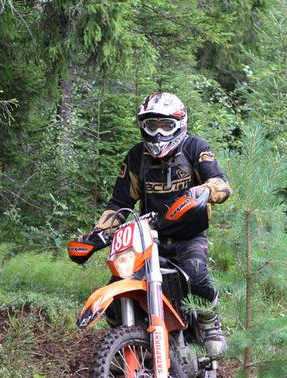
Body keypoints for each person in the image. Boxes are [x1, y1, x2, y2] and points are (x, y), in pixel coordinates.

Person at [93, 91, 231, 356]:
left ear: (179, 124)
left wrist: (206, 190)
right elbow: (119, 203)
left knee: (196, 273)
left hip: (189, 235)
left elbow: (221, 183)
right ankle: (125, 342)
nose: (158, 133)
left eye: (166, 125)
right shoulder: (136, 157)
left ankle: (208, 320)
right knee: (117, 284)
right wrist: (99, 232)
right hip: (148, 237)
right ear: (143, 126)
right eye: (151, 125)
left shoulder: (195, 148)